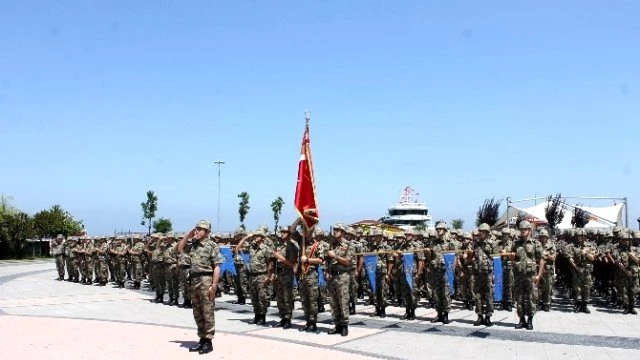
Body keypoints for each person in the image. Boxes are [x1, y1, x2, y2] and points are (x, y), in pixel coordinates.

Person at [177, 220, 223, 355]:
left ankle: (208, 342)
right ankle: (202, 339)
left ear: (207, 232)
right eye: (196, 229)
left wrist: (213, 286)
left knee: (207, 312)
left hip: (206, 280)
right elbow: (180, 248)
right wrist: (189, 234)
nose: (197, 231)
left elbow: (217, 267)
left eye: (200, 229)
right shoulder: (193, 245)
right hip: (194, 280)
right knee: (197, 312)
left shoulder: (211, 246)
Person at [511, 221, 544, 330]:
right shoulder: (516, 244)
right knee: (519, 298)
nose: (523, 231)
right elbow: (513, 259)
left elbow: (542, 260)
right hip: (519, 276)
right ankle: (521, 320)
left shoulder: (536, 243)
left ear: (530, 230)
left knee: (531, 298)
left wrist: (539, 275)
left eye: (525, 229)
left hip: (531, 276)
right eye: (521, 229)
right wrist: (512, 258)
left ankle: (530, 320)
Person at [326, 223, 355, 336]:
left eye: (337, 230)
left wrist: (335, 256)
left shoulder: (349, 245)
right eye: (334, 230)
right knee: (333, 302)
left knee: (343, 301)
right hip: (332, 276)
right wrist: (326, 271)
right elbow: (326, 260)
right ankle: (337, 324)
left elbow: (348, 261)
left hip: (342, 275)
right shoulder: (331, 245)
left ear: (343, 232)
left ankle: (344, 325)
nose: (335, 232)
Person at [270, 226, 299, 329]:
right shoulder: (279, 246)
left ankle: (287, 319)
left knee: (287, 298)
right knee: (279, 298)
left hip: (287, 273)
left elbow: (292, 264)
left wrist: (280, 257)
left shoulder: (292, 247)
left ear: (289, 234)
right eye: (281, 232)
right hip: (279, 273)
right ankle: (282, 317)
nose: (282, 234)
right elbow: (273, 261)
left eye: (284, 232)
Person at [470, 223, 495, 326]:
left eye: (483, 232)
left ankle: (488, 316)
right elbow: (473, 256)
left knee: (489, 295)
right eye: (480, 231)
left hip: (488, 273)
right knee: (478, 295)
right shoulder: (475, 244)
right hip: (478, 273)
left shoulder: (492, 244)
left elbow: (497, 258)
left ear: (487, 233)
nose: (481, 233)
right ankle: (479, 316)